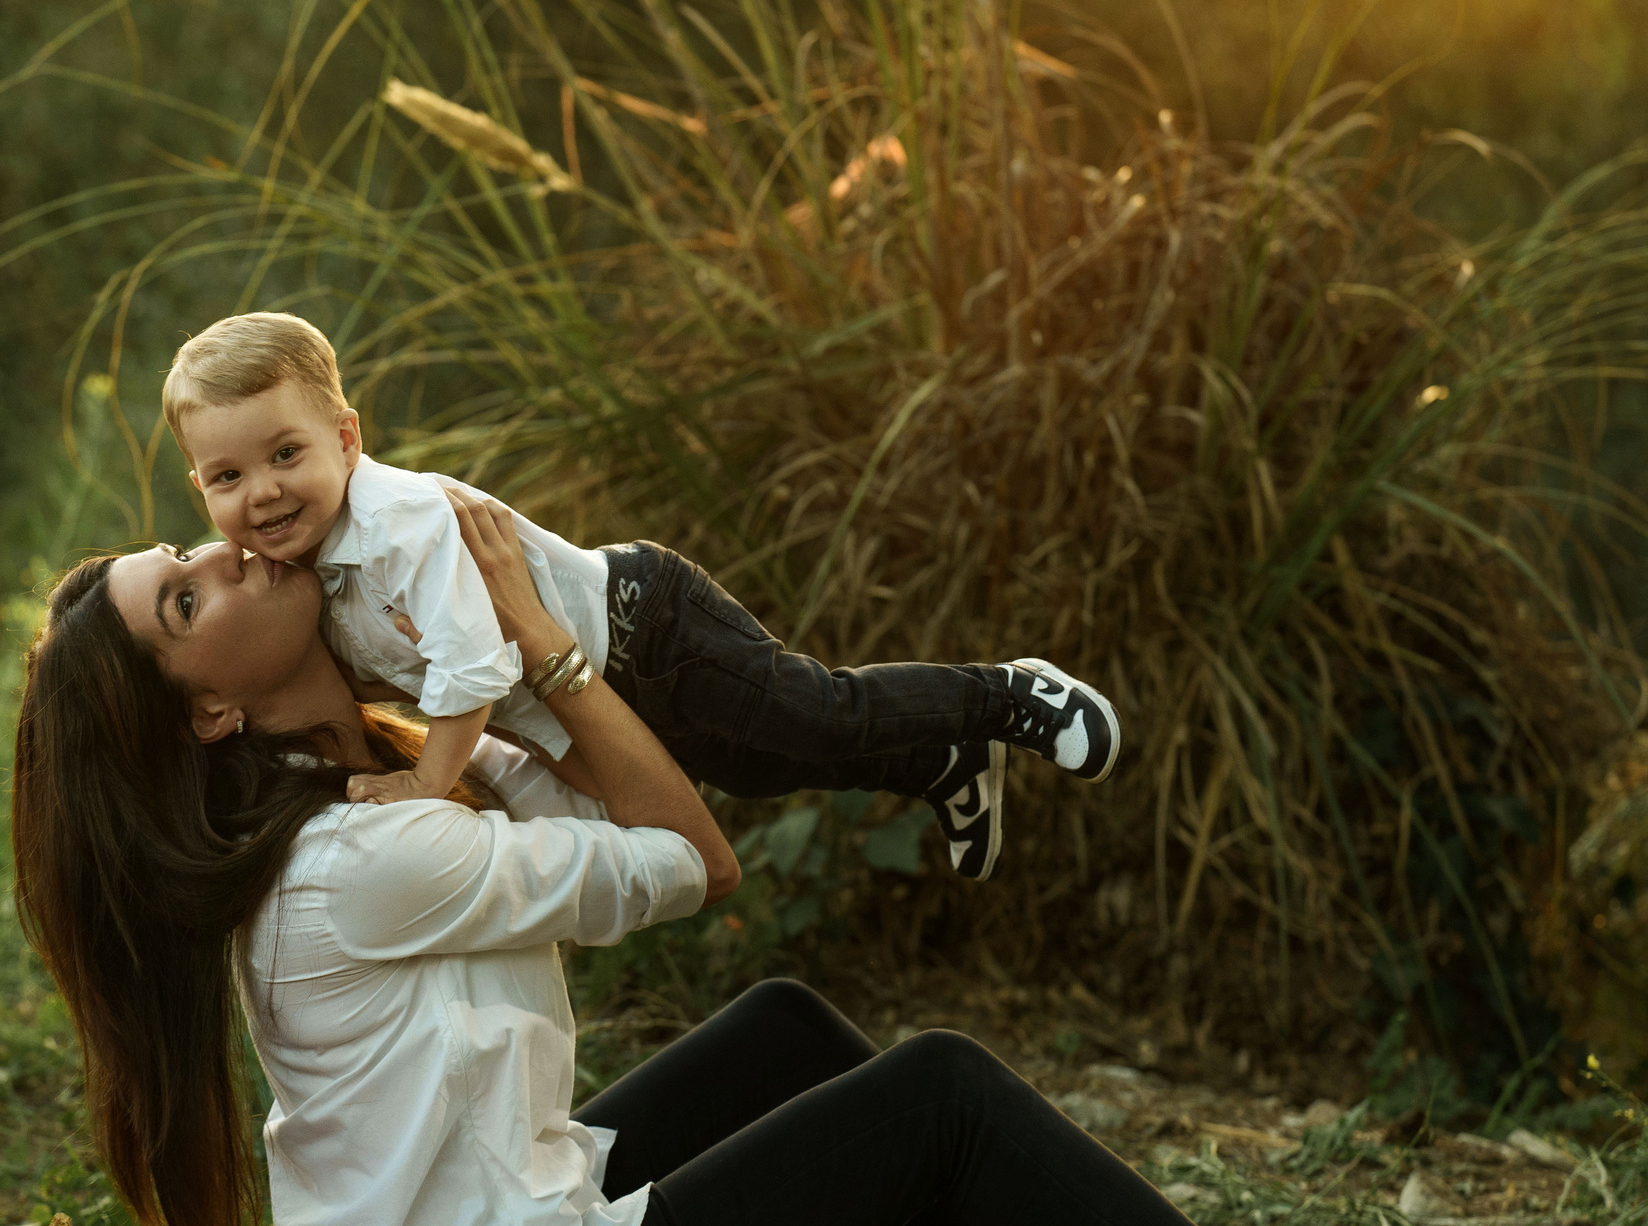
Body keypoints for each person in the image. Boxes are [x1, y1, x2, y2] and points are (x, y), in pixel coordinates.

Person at [7, 495, 1560, 1226]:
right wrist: (548, 651)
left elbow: (579, 818)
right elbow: (689, 854)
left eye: (191, 548)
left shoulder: (357, 786)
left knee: (790, 1037)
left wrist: (478, 662)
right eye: (188, 596)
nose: (226, 549)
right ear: (209, 707)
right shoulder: (366, 855)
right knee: (934, 1091)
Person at [162, 310, 1120, 881]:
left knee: (814, 710)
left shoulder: (402, 525)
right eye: (227, 477)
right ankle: (940, 762)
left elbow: (475, 663)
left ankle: (1006, 693)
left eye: (286, 454)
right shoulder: (295, 568)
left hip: (644, 623)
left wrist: (422, 780)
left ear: (348, 440)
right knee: (753, 765)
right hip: (606, 677)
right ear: (201, 487)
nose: (263, 493)